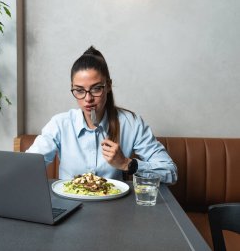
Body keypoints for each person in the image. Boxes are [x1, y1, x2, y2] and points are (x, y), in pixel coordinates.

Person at [27, 46, 177, 184]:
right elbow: (28, 165)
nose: (88, 99)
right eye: (79, 90)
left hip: (114, 209)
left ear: (109, 86)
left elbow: (170, 172)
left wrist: (126, 163)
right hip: (69, 206)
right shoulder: (60, 124)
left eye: (96, 89)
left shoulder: (131, 123)